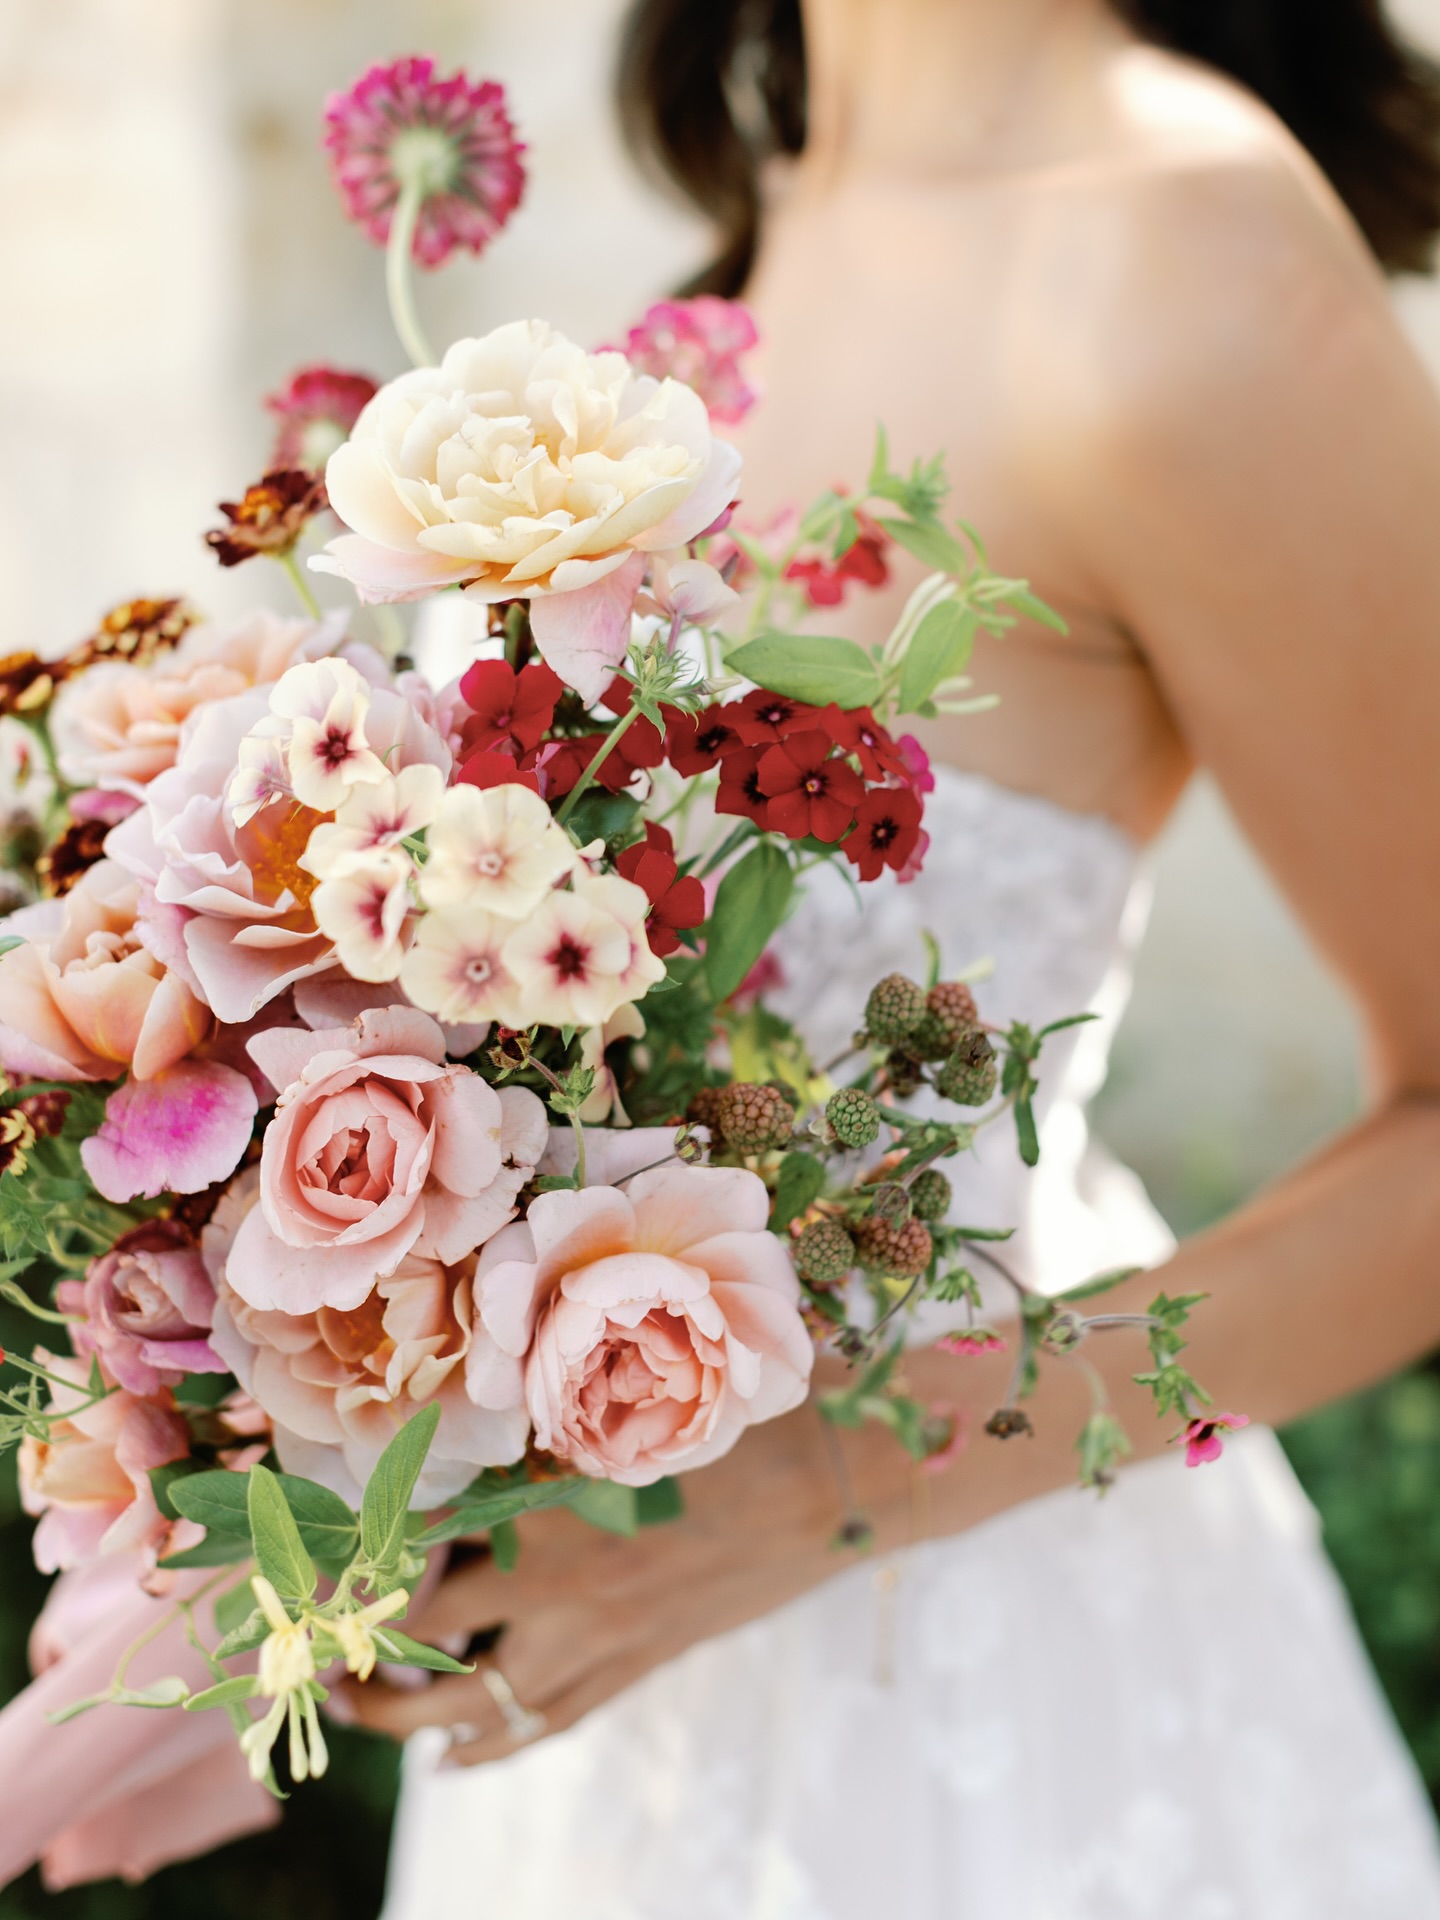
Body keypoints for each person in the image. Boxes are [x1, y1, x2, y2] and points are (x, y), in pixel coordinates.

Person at [367, 2, 1440, 1912]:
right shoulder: (761, 230)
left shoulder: (1189, 245)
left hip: (990, 1701)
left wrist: (812, 1493)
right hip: (600, 1733)